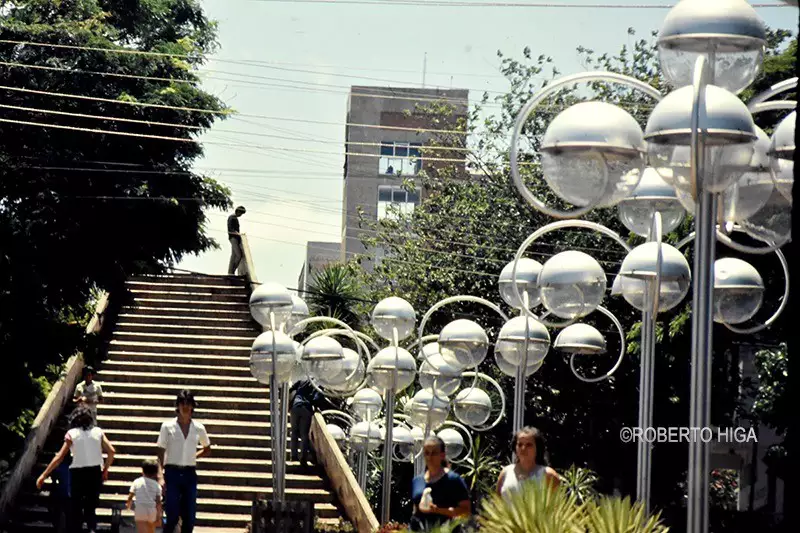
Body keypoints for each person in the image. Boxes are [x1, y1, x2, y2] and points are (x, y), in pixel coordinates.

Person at [37, 405, 116, 533]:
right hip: (95, 472)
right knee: (91, 507)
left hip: (78, 474)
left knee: (76, 507)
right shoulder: (98, 432)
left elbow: (60, 457)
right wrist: (105, 469)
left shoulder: (71, 434)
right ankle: (91, 529)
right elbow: (111, 451)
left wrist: (44, 475)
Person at [157, 389, 211, 533]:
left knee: (190, 516)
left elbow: (207, 448)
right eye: (182, 404)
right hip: (172, 472)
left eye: (188, 404)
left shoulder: (199, 428)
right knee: (172, 515)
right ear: (178, 406)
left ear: (193, 406)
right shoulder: (167, 426)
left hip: (189, 473)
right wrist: (160, 476)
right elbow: (160, 451)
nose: (185, 407)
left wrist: (194, 456)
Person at [409, 436, 471, 532]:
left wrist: (438, 510)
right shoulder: (417, 481)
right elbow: (416, 510)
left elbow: (465, 511)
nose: (429, 457)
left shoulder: (453, 480)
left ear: (442, 455)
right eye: (426, 453)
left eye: (434, 453)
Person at [496, 426, 560, 497]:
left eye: (529, 445)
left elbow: (557, 506)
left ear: (538, 448)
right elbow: (497, 503)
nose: (523, 448)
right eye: (520, 445)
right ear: (515, 448)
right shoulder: (505, 473)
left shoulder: (548, 475)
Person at [289, 378, 322, 467]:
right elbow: (316, 399)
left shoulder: (302, 380)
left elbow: (291, 389)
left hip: (295, 407)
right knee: (304, 434)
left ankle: (293, 455)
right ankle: (303, 457)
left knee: (294, 432)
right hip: (306, 408)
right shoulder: (318, 385)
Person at [127, 459, 163, 533]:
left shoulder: (137, 482)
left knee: (141, 530)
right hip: (151, 510)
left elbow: (130, 495)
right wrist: (159, 516)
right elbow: (158, 502)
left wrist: (128, 504)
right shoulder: (157, 485)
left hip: (140, 509)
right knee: (151, 529)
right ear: (156, 473)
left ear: (142, 471)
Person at [227, 205, 246, 275]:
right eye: (240, 213)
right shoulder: (232, 218)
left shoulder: (234, 218)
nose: (241, 215)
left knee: (233, 255)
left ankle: (230, 272)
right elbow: (230, 229)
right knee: (239, 255)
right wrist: (238, 234)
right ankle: (232, 271)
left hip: (235, 238)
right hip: (233, 238)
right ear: (238, 211)